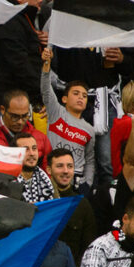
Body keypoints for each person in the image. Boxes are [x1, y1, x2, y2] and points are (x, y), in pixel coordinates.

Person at [40, 49, 95, 188]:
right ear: (64, 98)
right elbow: (46, 89)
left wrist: (87, 184)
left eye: (84, 95)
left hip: (77, 180)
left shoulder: (89, 129)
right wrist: (46, 64)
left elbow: (89, 160)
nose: (80, 97)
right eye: (76, 93)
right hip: (53, 174)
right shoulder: (56, 112)